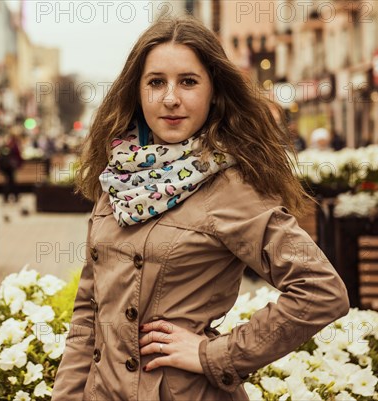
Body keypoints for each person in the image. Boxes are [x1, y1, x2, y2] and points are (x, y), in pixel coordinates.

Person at [52, 16, 349, 401]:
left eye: (188, 82)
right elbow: (88, 314)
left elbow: (321, 291)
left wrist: (215, 354)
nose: (170, 98)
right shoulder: (120, 179)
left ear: (213, 92)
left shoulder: (231, 186)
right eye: (156, 82)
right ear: (138, 92)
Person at [0, 132, 23, 203]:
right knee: (10, 182)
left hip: (10, 168)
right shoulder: (8, 147)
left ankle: (12, 196)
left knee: (11, 182)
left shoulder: (12, 147)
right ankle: (10, 196)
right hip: (7, 168)